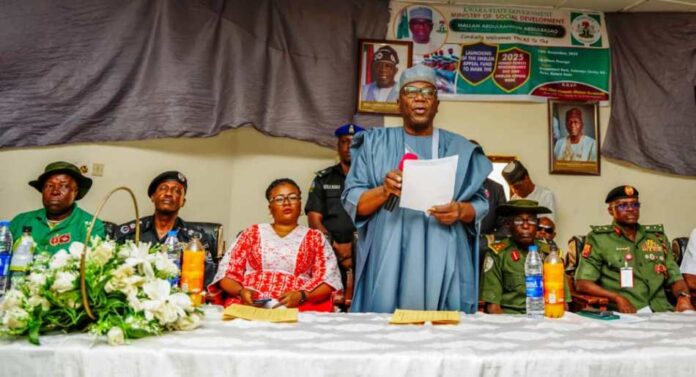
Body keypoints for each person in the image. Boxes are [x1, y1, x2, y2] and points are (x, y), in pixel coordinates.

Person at [341, 64, 492, 313]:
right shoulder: (373, 143)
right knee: (387, 335)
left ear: (437, 104)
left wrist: (459, 210)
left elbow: (479, 205)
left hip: (443, 249)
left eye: (428, 92)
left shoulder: (460, 147)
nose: (420, 98)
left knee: (445, 336)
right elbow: (354, 202)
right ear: (399, 102)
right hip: (389, 254)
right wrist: (384, 191)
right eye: (411, 91)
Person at [208, 178, 342, 311]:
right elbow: (226, 274)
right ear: (270, 207)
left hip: (298, 305)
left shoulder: (316, 238)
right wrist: (241, 292)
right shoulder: (251, 233)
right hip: (250, 303)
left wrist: (302, 295)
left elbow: (329, 279)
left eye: (293, 197)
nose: (286, 203)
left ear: (300, 203)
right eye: (279, 199)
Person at [575, 185, 694, 313]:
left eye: (635, 205)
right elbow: (583, 283)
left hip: (662, 310)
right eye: (622, 206)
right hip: (625, 313)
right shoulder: (599, 239)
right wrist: (617, 298)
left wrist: (683, 298)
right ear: (610, 210)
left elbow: (675, 277)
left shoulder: (657, 237)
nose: (631, 209)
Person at [116, 171, 217, 286]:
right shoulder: (129, 233)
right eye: (163, 188)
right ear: (153, 197)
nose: (169, 193)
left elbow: (207, 283)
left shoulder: (197, 241)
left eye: (176, 191)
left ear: (183, 201)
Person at [305, 123, 364, 309]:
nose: (349, 146)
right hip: (329, 253)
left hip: (366, 252)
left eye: (354, 142)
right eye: (344, 142)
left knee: (364, 305)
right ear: (338, 146)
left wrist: (355, 248)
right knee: (330, 305)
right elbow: (314, 220)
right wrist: (336, 248)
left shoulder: (373, 180)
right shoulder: (324, 179)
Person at [480, 200, 570, 314]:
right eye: (518, 221)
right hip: (510, 320)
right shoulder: (497, 254)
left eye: (532, 221)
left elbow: (563, 303)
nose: (526, 226)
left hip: (546, 319)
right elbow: (493, 308)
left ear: (537, 224)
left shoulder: (550, 255)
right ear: (508, 224)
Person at [10, 161, 104, 254]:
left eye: (63, 186)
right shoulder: (20, 221)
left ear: (75, 192)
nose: (55, 191)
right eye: (49, 186)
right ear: (42, 190)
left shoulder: (92, 226)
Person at [470, 140, 506, 235]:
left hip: (488, 244)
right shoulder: (454, 188)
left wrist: (489, 242)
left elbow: (504, 225)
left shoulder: (496, 189)